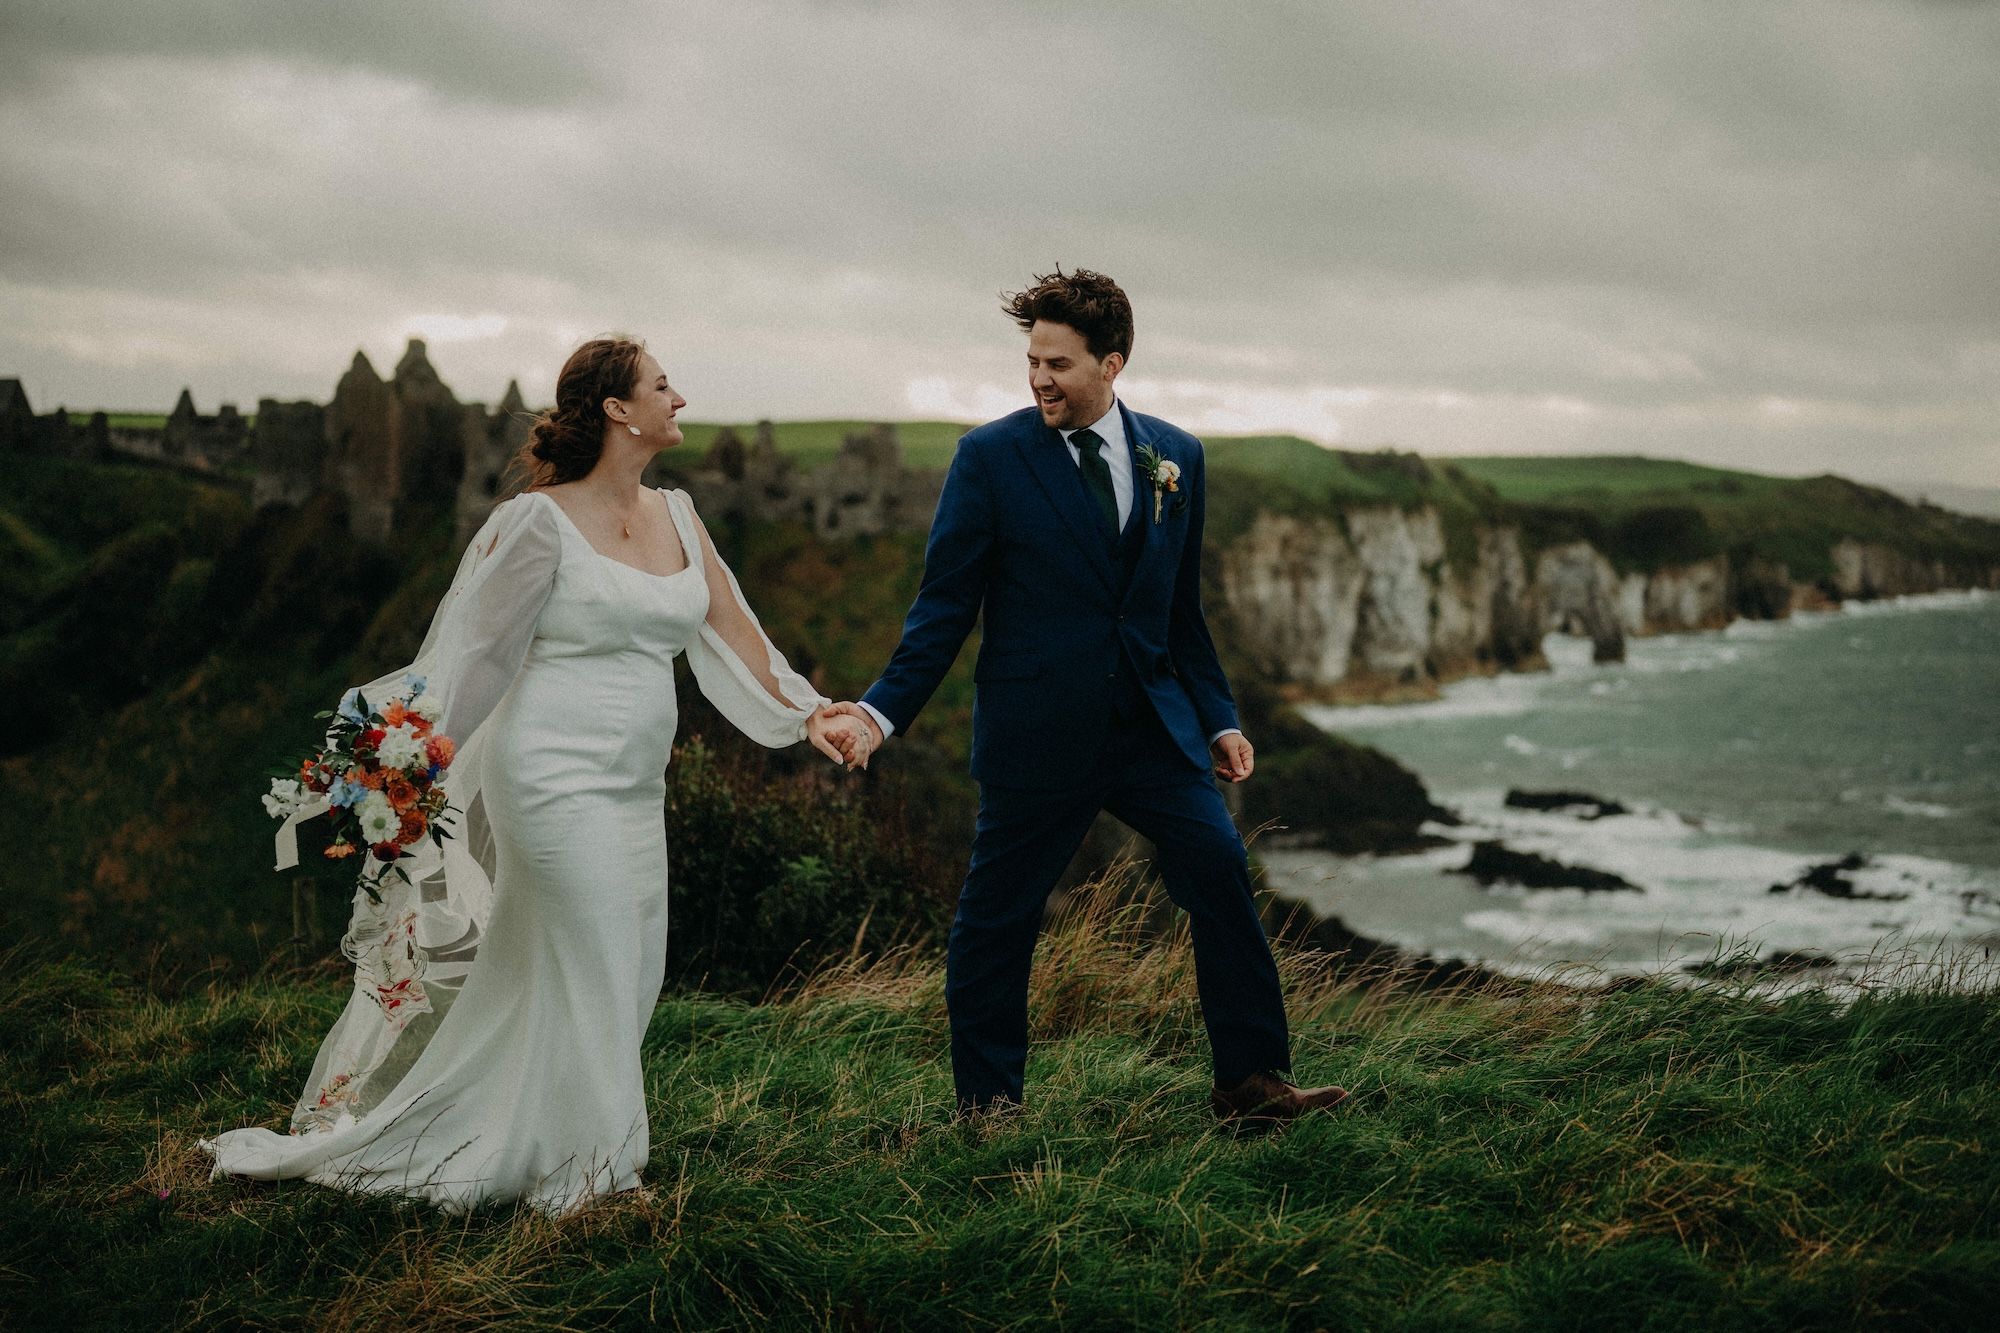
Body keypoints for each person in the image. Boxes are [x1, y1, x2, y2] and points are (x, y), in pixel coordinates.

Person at [199, 337, 872, 1214]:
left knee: (624, 963)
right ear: (618, 411)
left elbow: (731, 629)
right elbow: (474, 657)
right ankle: (595, 1181)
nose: (681, 398)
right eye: (663, 386)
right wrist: (406, 761)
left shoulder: (678, 514)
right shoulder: (535, 522)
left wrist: (808, 711)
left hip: (635, 786)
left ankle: (506, 1133)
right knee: (594, 953)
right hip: (550, 780)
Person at [830, 269, 1349, 1127]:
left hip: (1152, 728)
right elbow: (944, 607)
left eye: (1058, 363)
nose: (1038, 379)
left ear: (1112, 364)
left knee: (1220, 872)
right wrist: (879, 714)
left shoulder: (1175, 456)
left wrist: (1217, 716)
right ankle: (989, 1107)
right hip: (1039, 732)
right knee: (997, 918)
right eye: (1032, 359)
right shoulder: (988, 458)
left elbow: (1180, 613)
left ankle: (1251, 1084)